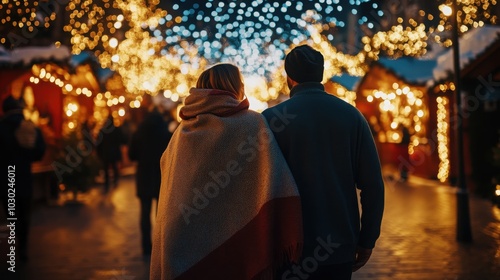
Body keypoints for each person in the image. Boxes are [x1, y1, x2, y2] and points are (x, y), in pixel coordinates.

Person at [150, 63, 303, 280]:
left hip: (181, 240)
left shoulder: (181, 132)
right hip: (239, 245)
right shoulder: (252, 124)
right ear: (233, 86)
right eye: (240, 82)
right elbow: (272, 179)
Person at [262, 45, 385, 280]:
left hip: (288, 247)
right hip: (338, 245)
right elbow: (373, 185)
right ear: (321, 73)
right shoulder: (351, 116)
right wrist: (367, 239)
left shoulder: (271, 120)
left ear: (289, 77)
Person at [0, 95, 46, 262]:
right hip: (24, 175)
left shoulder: (1, 128)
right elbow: (40, 150)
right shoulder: (30, 127)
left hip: (6, 177)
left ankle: (16, 239)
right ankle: (23, 247)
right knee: (25, 212)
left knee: (12, 213)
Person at [128, 106, 172, 256]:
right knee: (160, 214)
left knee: (144, 212)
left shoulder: (139, 132)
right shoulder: (165, 133)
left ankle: (146, 246)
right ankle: (159, 247)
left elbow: (132, 155)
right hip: (161, 176)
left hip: (144, 176)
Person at [96, 115, 125, 193]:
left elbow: (98, 143)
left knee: (106, 169)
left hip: (106, 153)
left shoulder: (103, 130)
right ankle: (114, 181)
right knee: (114, 167)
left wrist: (99, 153)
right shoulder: (116, 130)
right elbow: (122, 139)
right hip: (113, 153)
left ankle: (107, 184)